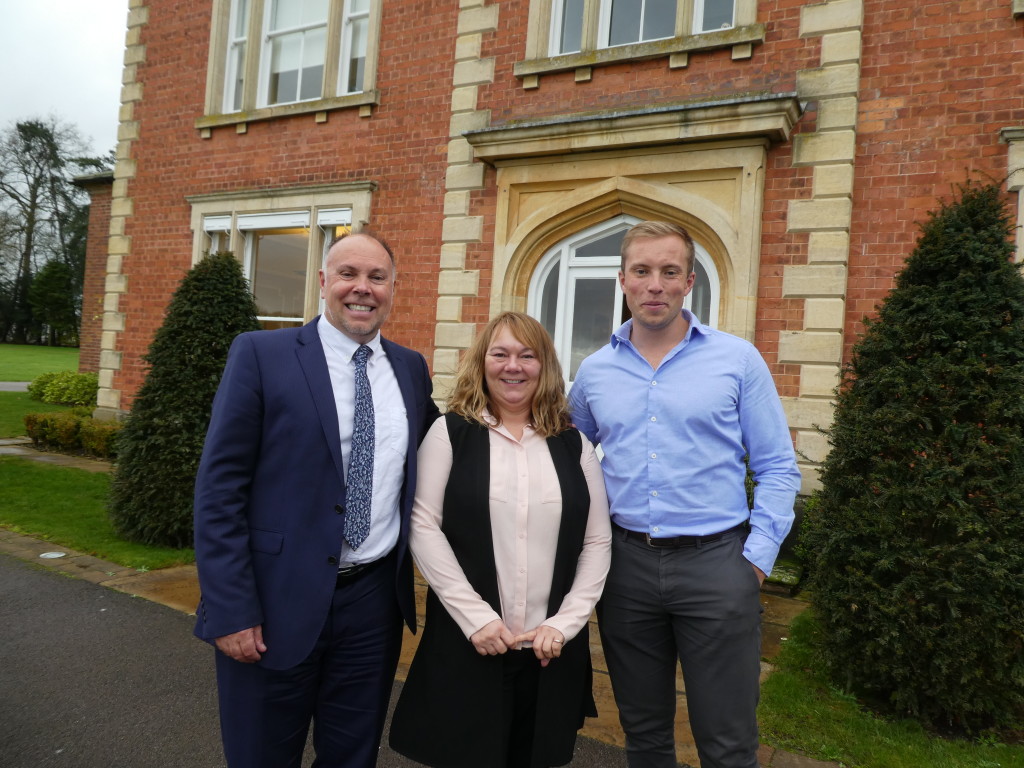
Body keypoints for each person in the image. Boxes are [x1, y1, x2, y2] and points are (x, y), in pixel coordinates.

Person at [193, 231, 440, 768]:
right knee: (261, 755)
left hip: (372, 605)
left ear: (394, 288)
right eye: (349, 274)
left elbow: (451, 452)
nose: (363, 288)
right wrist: (230, 609)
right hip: (272, 602)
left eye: (377, 277)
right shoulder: (261, 354)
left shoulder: (410, 368)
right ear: (324, 282)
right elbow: (219, 490)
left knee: (352, 756)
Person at [568, 221, 802, 768]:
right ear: (622, 280)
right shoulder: (595, 371)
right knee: (644, 734)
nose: (655, 284)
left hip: (718, 566)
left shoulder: (737, 360)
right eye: (643, 271)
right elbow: (565, 458)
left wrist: (756, 561)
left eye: (669, 272)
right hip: (625, 571)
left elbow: (777, 466)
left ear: (688, 281)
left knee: (728, 740)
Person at [389, 311, 611, 768]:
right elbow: (422, 525)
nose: (514, 366)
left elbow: (597, 543)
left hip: (549, 651)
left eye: (527, 356)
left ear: (545, 366)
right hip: (470, 643)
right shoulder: (450, 434)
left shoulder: (574, 445)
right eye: (501, 354)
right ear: (482, 362)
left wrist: (565, 624)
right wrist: (476, 619)